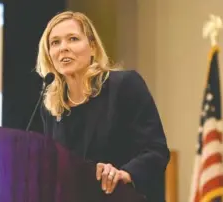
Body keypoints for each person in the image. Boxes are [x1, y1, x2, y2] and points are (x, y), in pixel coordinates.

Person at [36, 11, 170, 202]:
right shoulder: (51, 106)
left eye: (73, 39)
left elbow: (156, 150)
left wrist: (125, 174)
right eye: (55, 42)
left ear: (92, 47)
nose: (63, 48)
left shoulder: (124, 85)